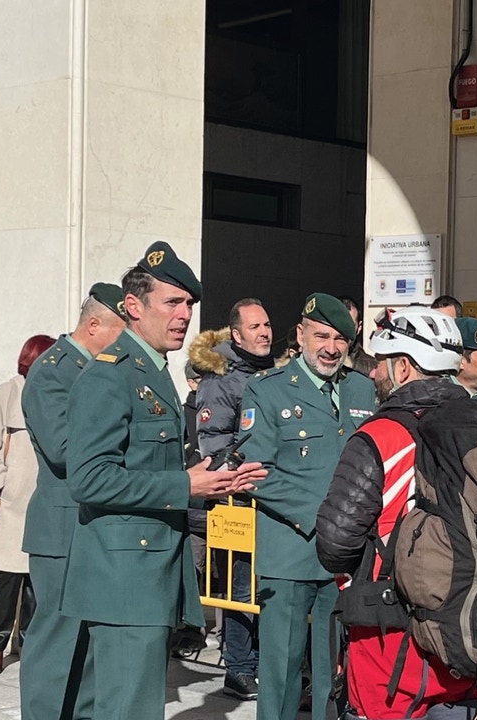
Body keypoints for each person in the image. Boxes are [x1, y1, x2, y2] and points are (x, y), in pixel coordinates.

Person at [62, 244, 267, 719]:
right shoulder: (109, 377)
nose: (184, 315)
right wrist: (186, 487)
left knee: (133, 705)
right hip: (125, 576)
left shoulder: (151, 372)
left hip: (148, 572)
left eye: (189, 305)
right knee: (127, 708)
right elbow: (89, 479)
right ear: (134, 307)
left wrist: (218, 479)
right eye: (172, 302)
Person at [316, 306, 477, 720]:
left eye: (381, 364)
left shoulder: (380, 435)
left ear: (405, 368)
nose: (374, 374)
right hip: (469, 632)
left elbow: (335, 543)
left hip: (390, 638)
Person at [239, 292, 378, 720]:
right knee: (281, 670)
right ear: (300, 335)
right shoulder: (267, 390)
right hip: (291, 552)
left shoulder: (363, 388)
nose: (331, 347)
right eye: (321, 336)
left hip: (347, 559)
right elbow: (254, 470)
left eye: (340, 339)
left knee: (336, 671)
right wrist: (325, 517)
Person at [19, 282, 125, 720]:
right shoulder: (52, 372)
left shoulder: (106, 370)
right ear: (95, 324)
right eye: (123, 329)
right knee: (56, 644)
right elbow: (64, 450)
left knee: (91, 649)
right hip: (62, 529)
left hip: (95, 527)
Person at [190, 297, 277, 700]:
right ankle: (240, 668)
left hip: (274, 499)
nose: (265, 333)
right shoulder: (220, 378)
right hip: (237, 500)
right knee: (239, 588)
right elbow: (214, 446)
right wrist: (242, 468)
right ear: (237, 334)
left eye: (267, 326)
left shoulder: (276, 373)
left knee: (269, 586)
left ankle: (264, 662)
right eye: (256, 327)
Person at [0, 334, 54, 675]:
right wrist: (2, 482)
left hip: (46, 502)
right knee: (8, 582)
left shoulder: (57, 394)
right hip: (12, 504)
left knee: (37, 582)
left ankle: (30, 646)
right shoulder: (8, 392)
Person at [340, 296, 378, 377]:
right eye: (336, 325)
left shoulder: (373, 368)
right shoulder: (314, 358)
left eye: (349, 326)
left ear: (359, 327)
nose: (342, 331)